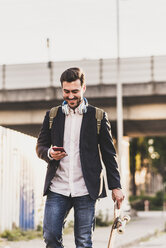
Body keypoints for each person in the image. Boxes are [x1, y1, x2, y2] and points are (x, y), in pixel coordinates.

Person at [36, 67, 124, 248]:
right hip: (57, 188)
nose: (70, 96)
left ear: (84, 88)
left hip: (86, 189)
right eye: (66, 91)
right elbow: (40, 147)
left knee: (83, 242)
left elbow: (109, 154)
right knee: (51, 236)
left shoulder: (98, 116)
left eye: (75, 91)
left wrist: (116, 186)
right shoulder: (52, 115)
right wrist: (49, 153)